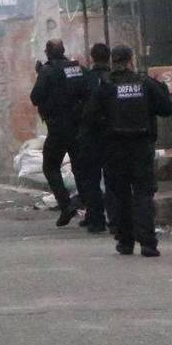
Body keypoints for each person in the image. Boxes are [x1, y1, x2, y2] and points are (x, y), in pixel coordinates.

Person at [81, 45, 172, 256]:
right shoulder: (145, 83)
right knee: (143, 194)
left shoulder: (105, 86)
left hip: (114, 148)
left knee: (120, 194)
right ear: (131, 60)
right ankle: (148, 243)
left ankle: (125, 242)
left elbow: (88, 117)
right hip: (141, 147)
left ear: (113, 61)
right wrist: (162, 88)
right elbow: (167, 109)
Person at [30, 40, 90, 226]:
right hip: (78, 127)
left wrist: (41, 74)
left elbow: (35, 97)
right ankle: (90, 211)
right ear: (63, 51)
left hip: (57, 129)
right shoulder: (77, 68)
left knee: (50, 167)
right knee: (81, 169)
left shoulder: (47, 71)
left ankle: (66, 205)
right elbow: (88, 89)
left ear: (48, 52)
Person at [72, 43, 113, 233]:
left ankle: (96, 219)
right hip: (114, 135)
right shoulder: (115, 79)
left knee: (91, 179)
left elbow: (76, 104)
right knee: (114, 179)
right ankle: (116, 219)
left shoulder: (86, 78)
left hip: (90, 135)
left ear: (92, 57)